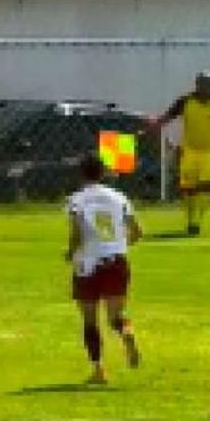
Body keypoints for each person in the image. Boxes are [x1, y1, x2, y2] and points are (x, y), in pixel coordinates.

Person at [67, 155, 143, 384]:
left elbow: (77, 234)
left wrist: (71, 252)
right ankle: (126, 332)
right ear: (103, 174)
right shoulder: (119, 197)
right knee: (115, 316)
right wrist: (118, 247)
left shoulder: (76, 200)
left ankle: (99, 369)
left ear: (81, 175)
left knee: (90, 320)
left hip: (87, 264)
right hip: (116, 260)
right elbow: (137, 232)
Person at [152, 71, 210, 236]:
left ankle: (197, 222)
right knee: (189, 188)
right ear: (196, 85)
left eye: (208, 84)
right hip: (190, 150)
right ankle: (190, 218)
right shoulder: (185, 101)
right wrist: (157, 123)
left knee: (205, 186)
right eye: (202, 84)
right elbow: (169, 115)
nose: (205, 88)